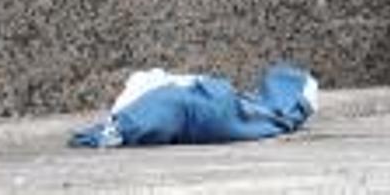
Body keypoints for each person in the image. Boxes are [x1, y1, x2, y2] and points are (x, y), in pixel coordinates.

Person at [69, 64, 318, 148]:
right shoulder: (272, 113)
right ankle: (122, 128)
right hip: (205, 104)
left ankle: (122, 128)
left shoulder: (270, 113)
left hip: (200, 105)